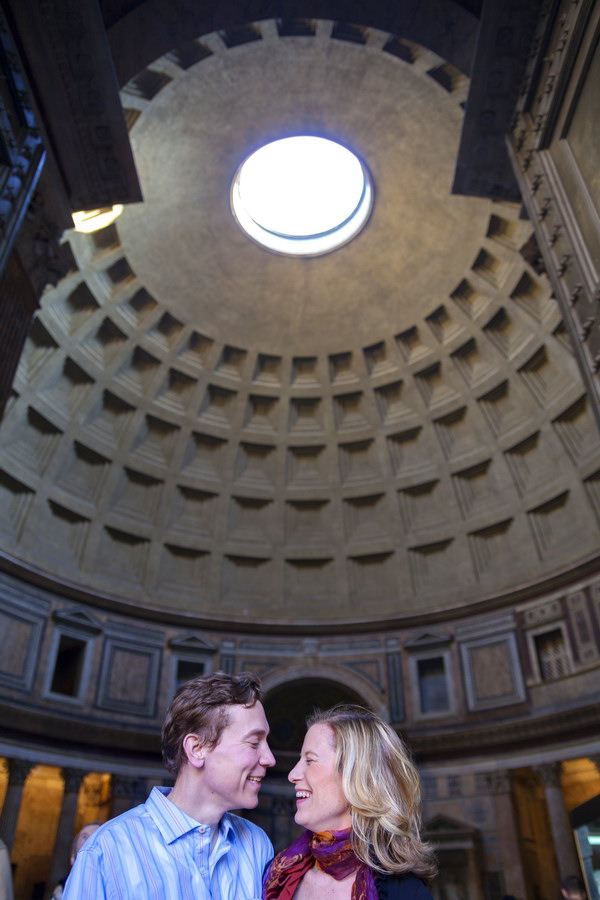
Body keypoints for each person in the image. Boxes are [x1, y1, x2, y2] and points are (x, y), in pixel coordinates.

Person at [64, 671, 276, 899]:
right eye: (254, 743)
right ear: (197, 749)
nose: (270, 758)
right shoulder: (106, 851)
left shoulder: (257, 845)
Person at [264, 704, 436, 900]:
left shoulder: (405, 892)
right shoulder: (278, 875)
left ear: (355, 775)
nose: (293, 774)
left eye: (310, 760)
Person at [51, 822, 101, 898]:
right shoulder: (60, 893)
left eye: (97, 836)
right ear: (73, 858)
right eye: (85, 837)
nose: (91, 840)